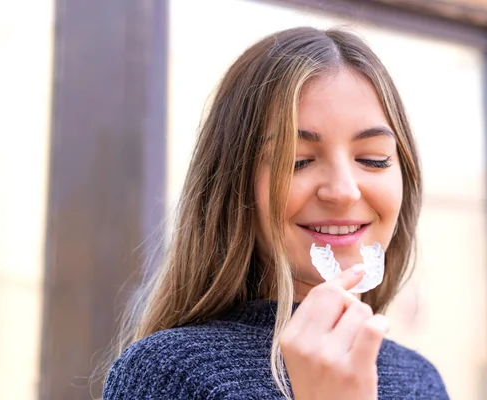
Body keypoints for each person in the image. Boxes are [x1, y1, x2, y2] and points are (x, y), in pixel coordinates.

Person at [102, 26, 449, 399]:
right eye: (297, 161)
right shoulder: (167, 373)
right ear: (234, 183)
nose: (344, 191)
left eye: (373, 160)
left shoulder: (420, 381)